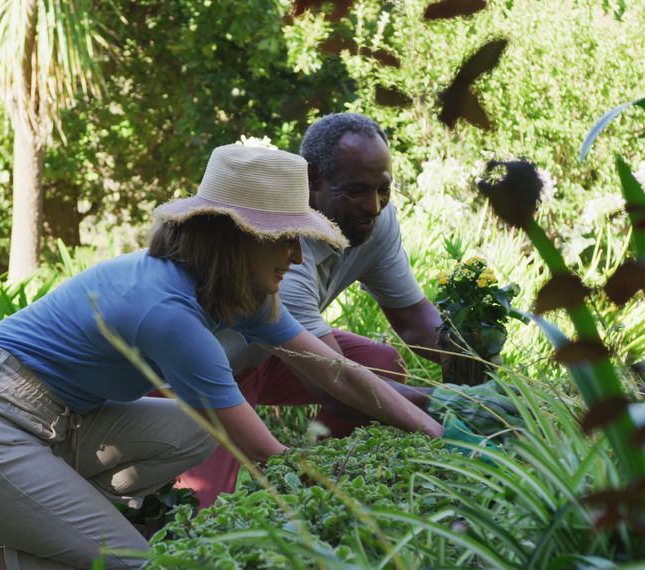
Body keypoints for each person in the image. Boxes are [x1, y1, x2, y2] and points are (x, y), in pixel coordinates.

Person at [0, 143, 444, 570]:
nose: (297, 255)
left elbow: (337, 373)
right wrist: (363, 502)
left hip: (49, 418)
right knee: (150, 567)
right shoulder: (167, 312)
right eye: (284, 236)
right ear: (234, 236)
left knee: (189, 434)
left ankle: (8, 529)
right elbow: (271, 457)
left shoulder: (238, 293)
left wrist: (440, 429)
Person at [181, 114, 447, 508]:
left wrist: (485, 366)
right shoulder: (281, 254)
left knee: (378, 361)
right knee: (199, 504)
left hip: (272, 350)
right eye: (355, 190)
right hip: (203, 370)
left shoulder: (373, 220)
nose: (373, 205)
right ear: (313, 180)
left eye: (383, 189)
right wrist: (449, 405)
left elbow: (415, 323)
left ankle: (341, 472)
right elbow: (336, 387)